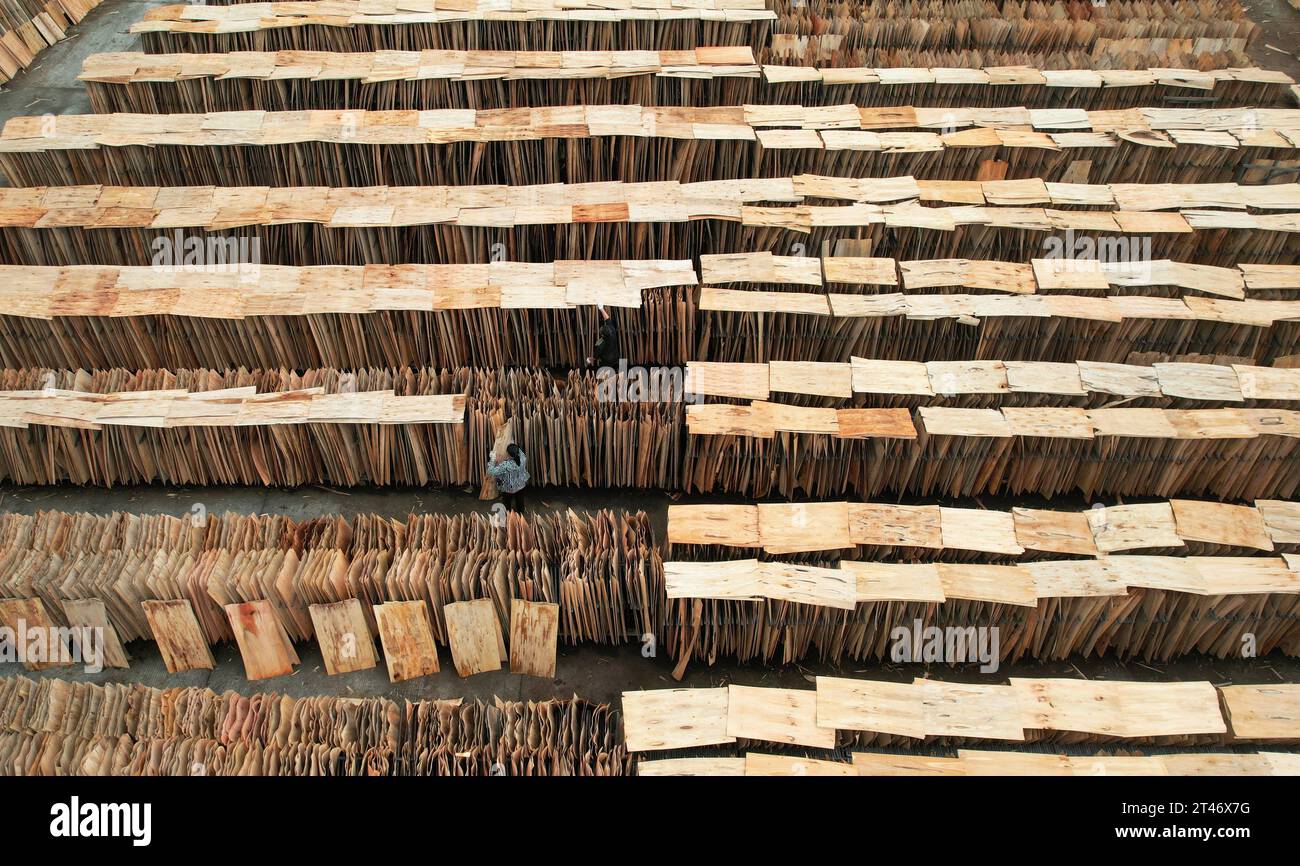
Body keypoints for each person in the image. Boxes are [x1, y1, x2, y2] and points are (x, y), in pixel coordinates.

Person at [486, 443, 529, 511]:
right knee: (520, 500)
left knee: (507, 502)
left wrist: (492, 459)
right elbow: (518, 451)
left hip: (508, 488)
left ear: (508, 454)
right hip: (521, 485)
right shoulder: (523, 457)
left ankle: (508, 512)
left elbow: (491, 471)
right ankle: (520, 511)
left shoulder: (506, 465)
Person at [585, 305, 620, 370]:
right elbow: (607, 319)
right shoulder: (612, 329)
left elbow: (595, 356)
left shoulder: (602, 344)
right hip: (615, 357)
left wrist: (589, 360)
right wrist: (601, 308)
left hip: (607, 361)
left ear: (603, 336)